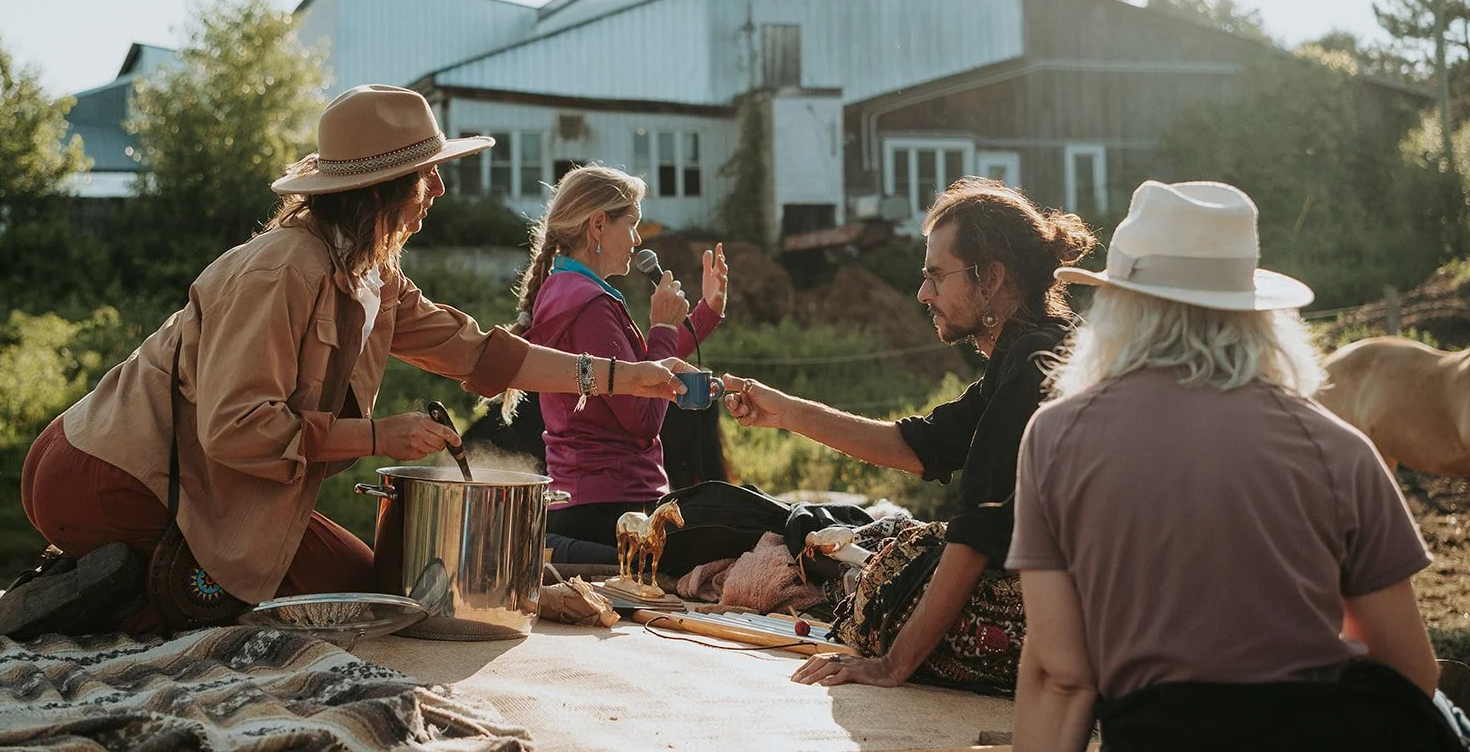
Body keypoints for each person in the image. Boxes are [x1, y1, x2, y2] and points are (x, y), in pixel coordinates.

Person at [0, 85, 688, 640]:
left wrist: (624, 375)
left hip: (199, 481)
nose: (439, 191)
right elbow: (236, 429)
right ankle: (109, 595)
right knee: (267, 603)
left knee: (378, 595)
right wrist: (381, 436)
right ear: (382, 190)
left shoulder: (371, 274)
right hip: (105, 474)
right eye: (427, 176)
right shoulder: (281, 270)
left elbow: (479, 351)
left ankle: (122, 577)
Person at [1007, 181, 1457, 752]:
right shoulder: (1335, 446)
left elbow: (1061, 676)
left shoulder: (1056, 437)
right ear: (1256, 317)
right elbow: (1410, 674)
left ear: (1119, 307)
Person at [723, 177, 1096, 690]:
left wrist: (893, 665)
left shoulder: (1034, 364)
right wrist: (784, 411)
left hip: (1067, 614)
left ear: (989, 277)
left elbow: (975, 536)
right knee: (888, 546)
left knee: (889, 583)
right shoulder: (1035, 347)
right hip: (1076, 594)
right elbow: (919, 446)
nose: (924, 293)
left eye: (937, 276)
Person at [509, 163, 728, 547]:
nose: (638, 240)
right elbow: (642, 416)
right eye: (632, 224)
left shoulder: (565, 289)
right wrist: (661, 327)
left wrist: (704, 312)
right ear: (598, 226)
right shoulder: (590, 304)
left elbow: (635, 372)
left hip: (588, 503)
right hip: (614, 507)